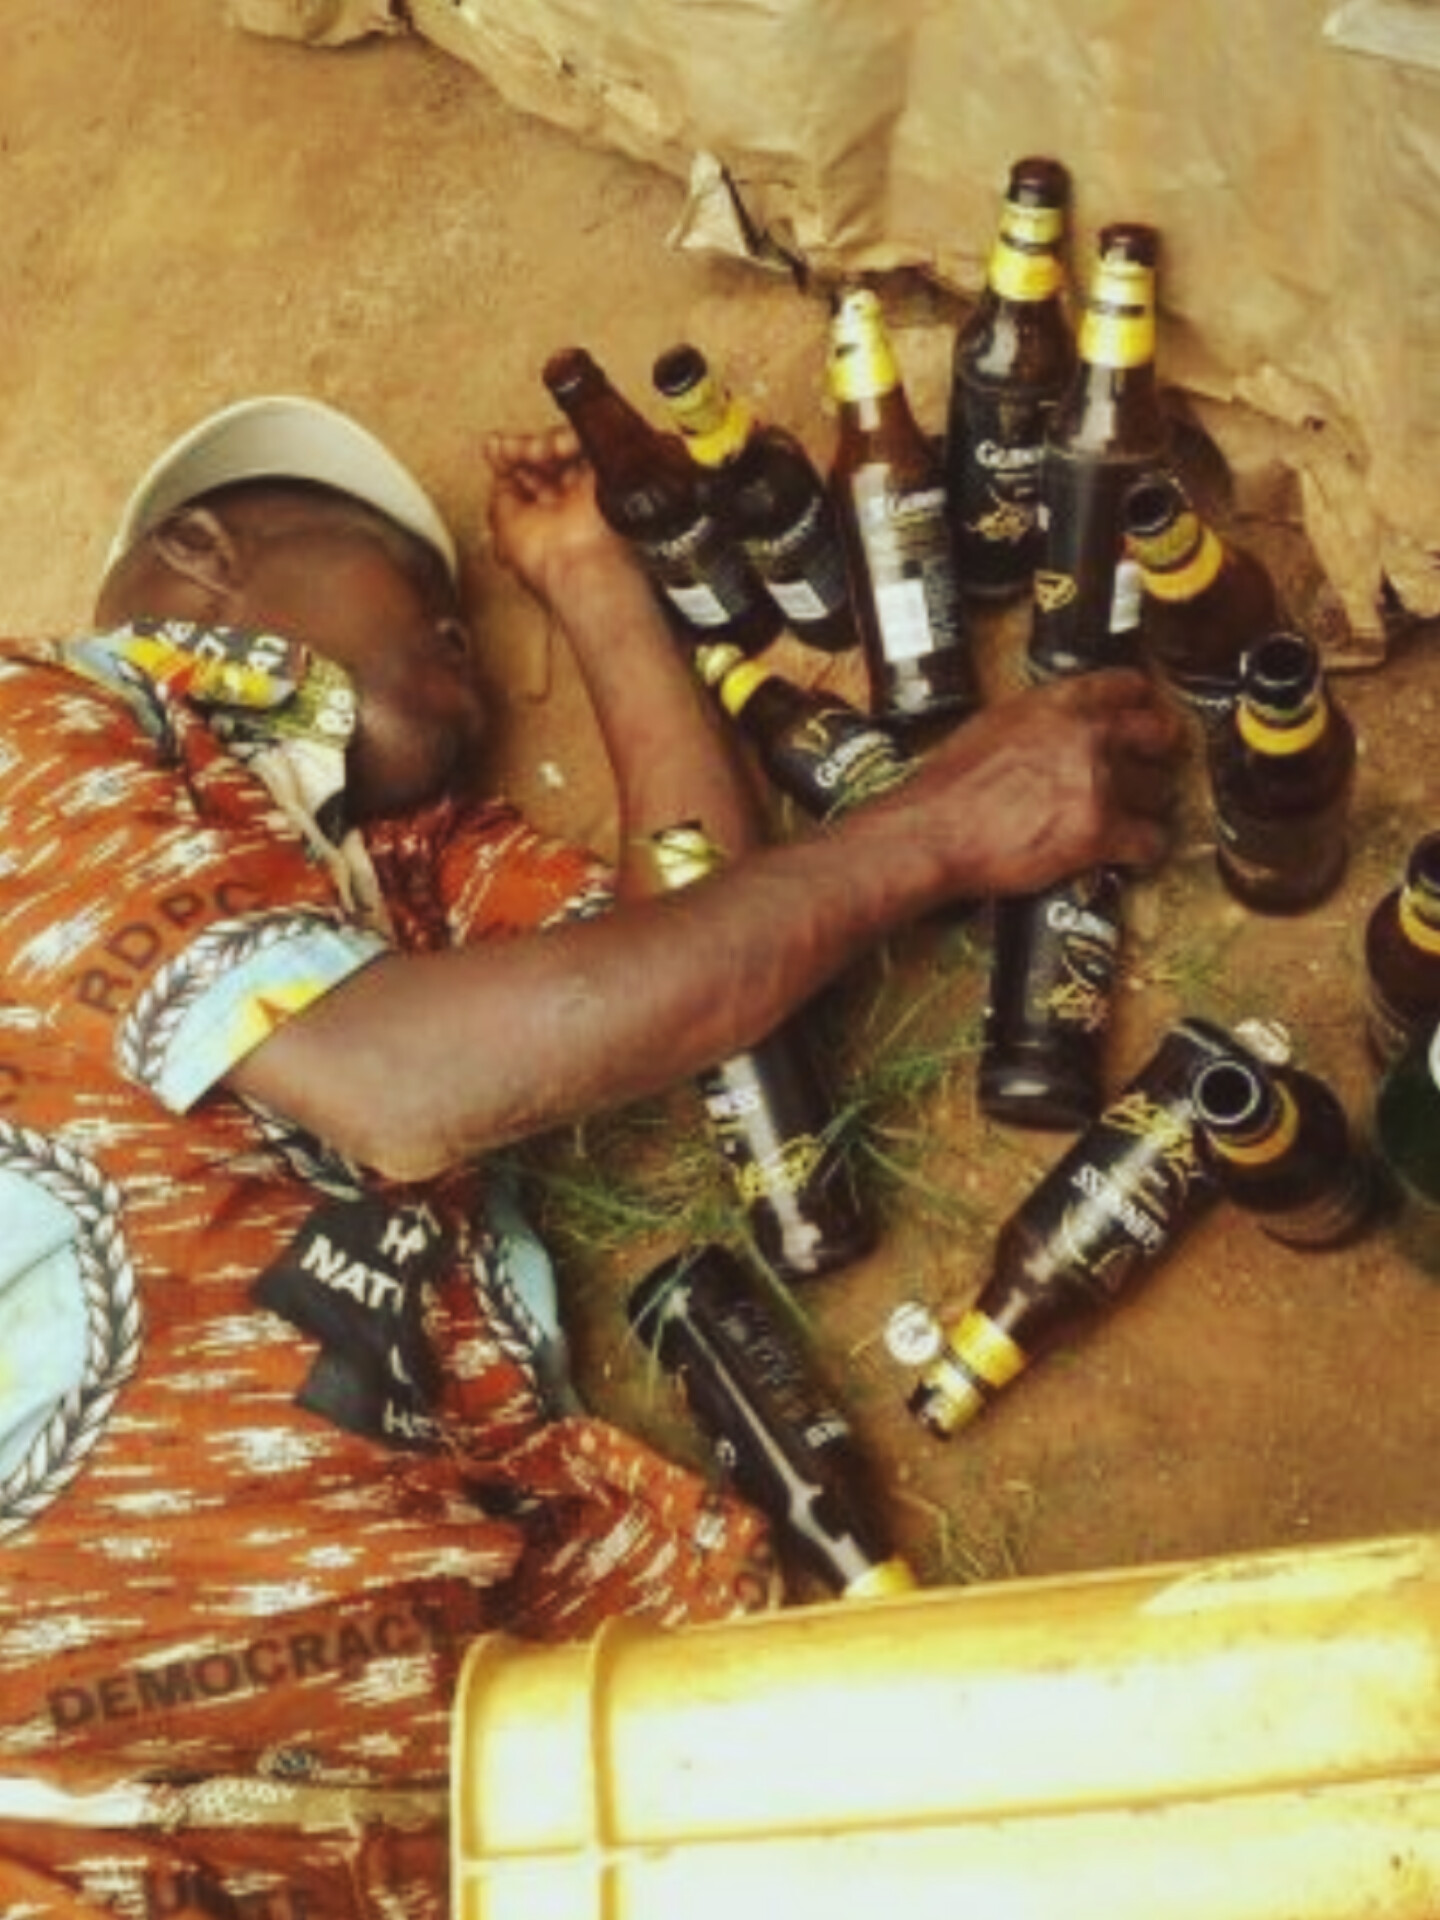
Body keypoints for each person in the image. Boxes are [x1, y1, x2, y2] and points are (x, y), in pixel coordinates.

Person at [0, 394, 1181, 1917]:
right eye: (409, 586)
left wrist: (598, 585)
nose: (462, 640)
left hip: (430, 1797)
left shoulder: (394, 880)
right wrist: (937, 826)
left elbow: (697, 956)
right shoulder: (41, 730)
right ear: (206, 550)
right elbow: (395, 1083)